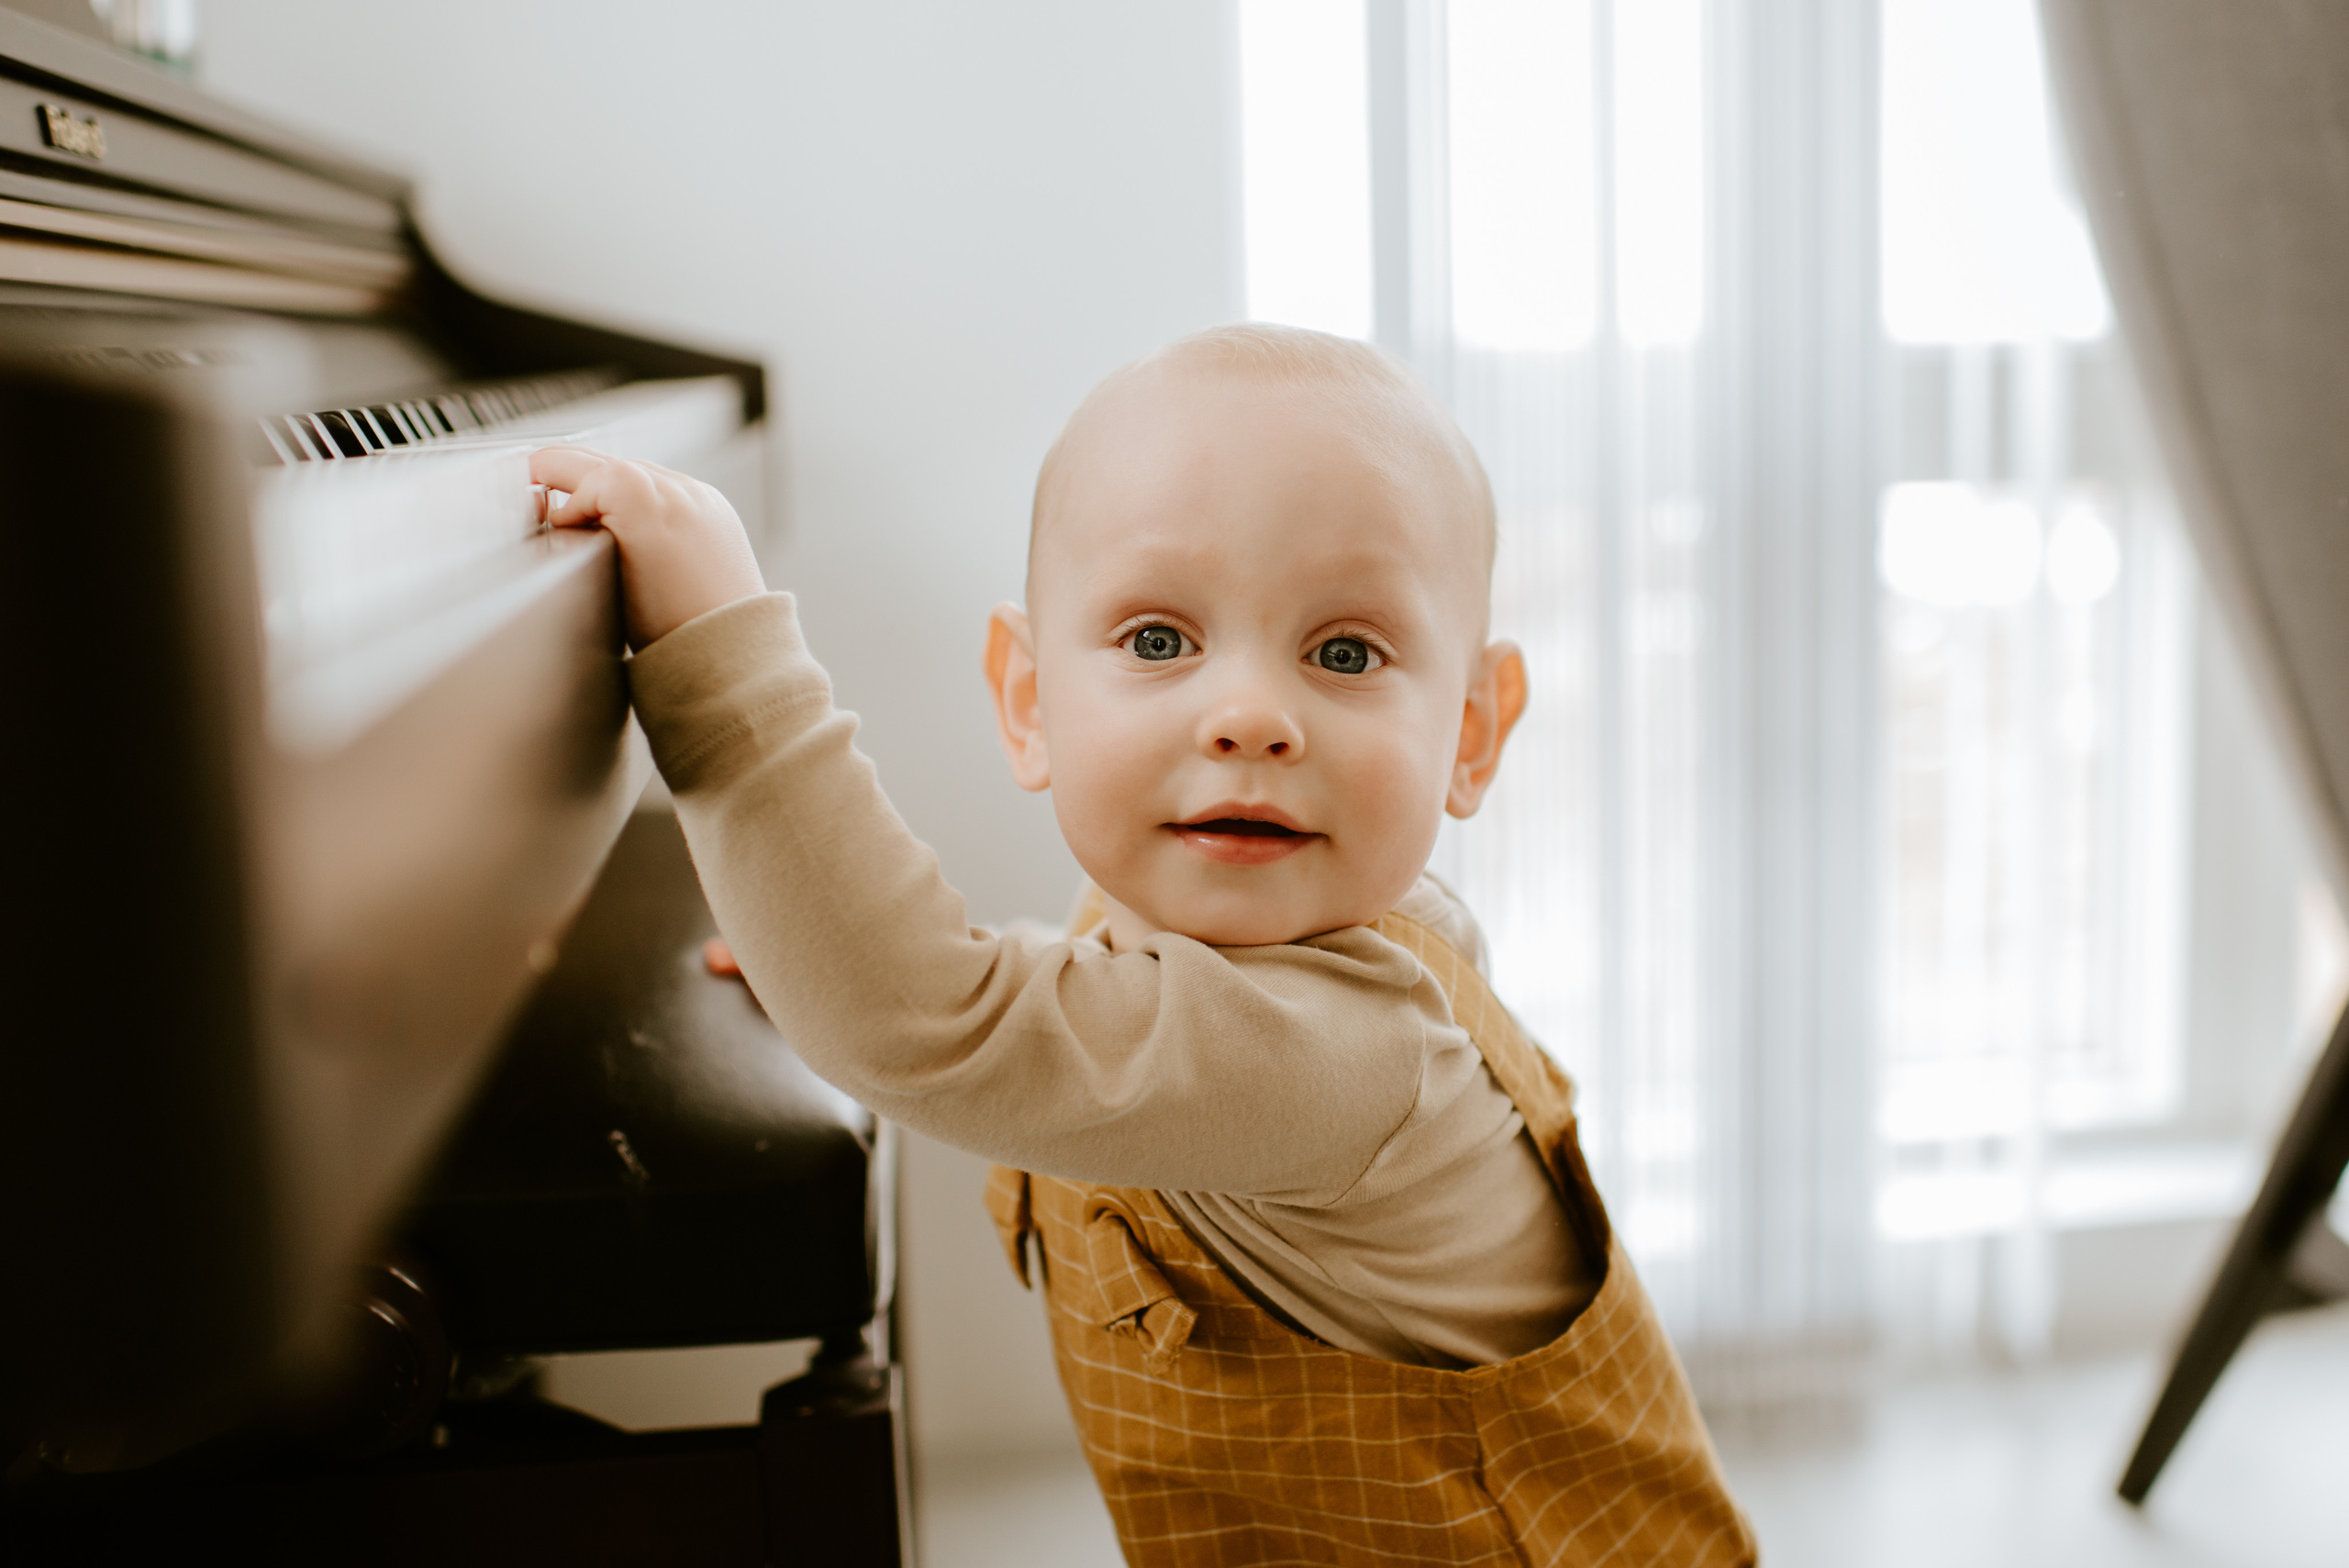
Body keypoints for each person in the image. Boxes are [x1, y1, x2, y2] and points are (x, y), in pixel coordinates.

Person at [530, 324, 1755, 1566]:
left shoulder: (1345, 1059)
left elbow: (931, 1018)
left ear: (1473, 734)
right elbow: (1102, 1002)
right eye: (1160, 641)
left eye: (1345, 652)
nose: (1248, 717)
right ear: (1029, 700)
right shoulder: (1219, 924)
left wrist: (720, 641)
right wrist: (812, 935)